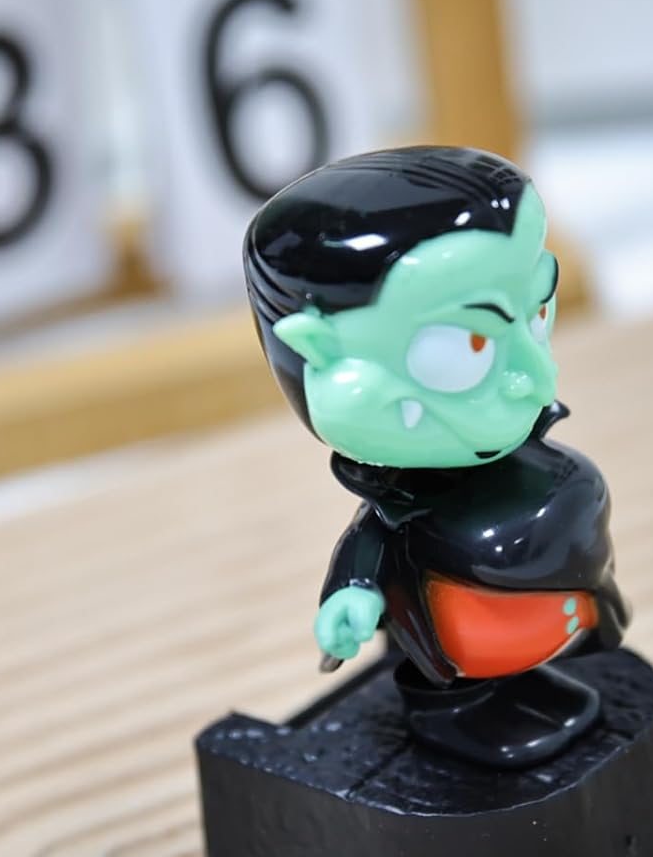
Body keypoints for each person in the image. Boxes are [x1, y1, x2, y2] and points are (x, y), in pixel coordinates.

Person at [245, 145, 630, 768]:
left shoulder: (545, 467)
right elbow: (369, 543)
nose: (534, 377)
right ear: (317, 353)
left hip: (540, 610)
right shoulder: (400, 509)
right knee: (441, 665)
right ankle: (455, 710)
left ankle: (518, 686)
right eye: (471, 344)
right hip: (453, 625)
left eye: (537, 314)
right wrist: (352, 595)